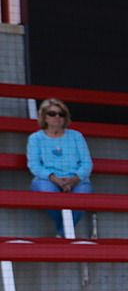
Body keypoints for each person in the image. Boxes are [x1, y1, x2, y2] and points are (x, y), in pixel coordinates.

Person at [28, 97, 92, 236]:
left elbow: (87, 163)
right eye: (52, 113)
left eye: (61, 114)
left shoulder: (76, 136)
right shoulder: (35, 138)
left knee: (84, 193)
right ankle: (64, 230)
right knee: (47, 192)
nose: (57, 117)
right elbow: (34, 165)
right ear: (44, 117)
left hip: (75, 179)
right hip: (48, 180)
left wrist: (74, 180)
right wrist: (54, 179)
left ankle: (62, 232)